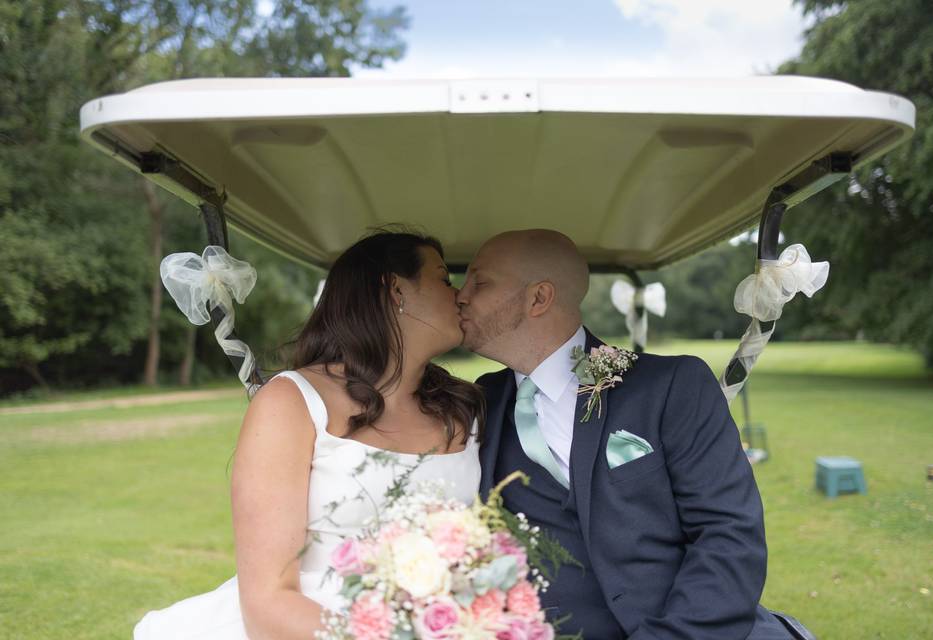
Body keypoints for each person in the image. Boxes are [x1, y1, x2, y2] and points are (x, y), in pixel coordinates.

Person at [134, 230, 485, 639]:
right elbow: (268, 602)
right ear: (394, 290)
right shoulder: (292, 403)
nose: (459, 295)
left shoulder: (466, 411)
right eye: (444, 279)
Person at [456, 229, 799, 640]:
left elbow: (729, 537)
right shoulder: (478, 403)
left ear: (538, 298)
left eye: (479, 282)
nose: (460, 296)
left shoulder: (671, 387)